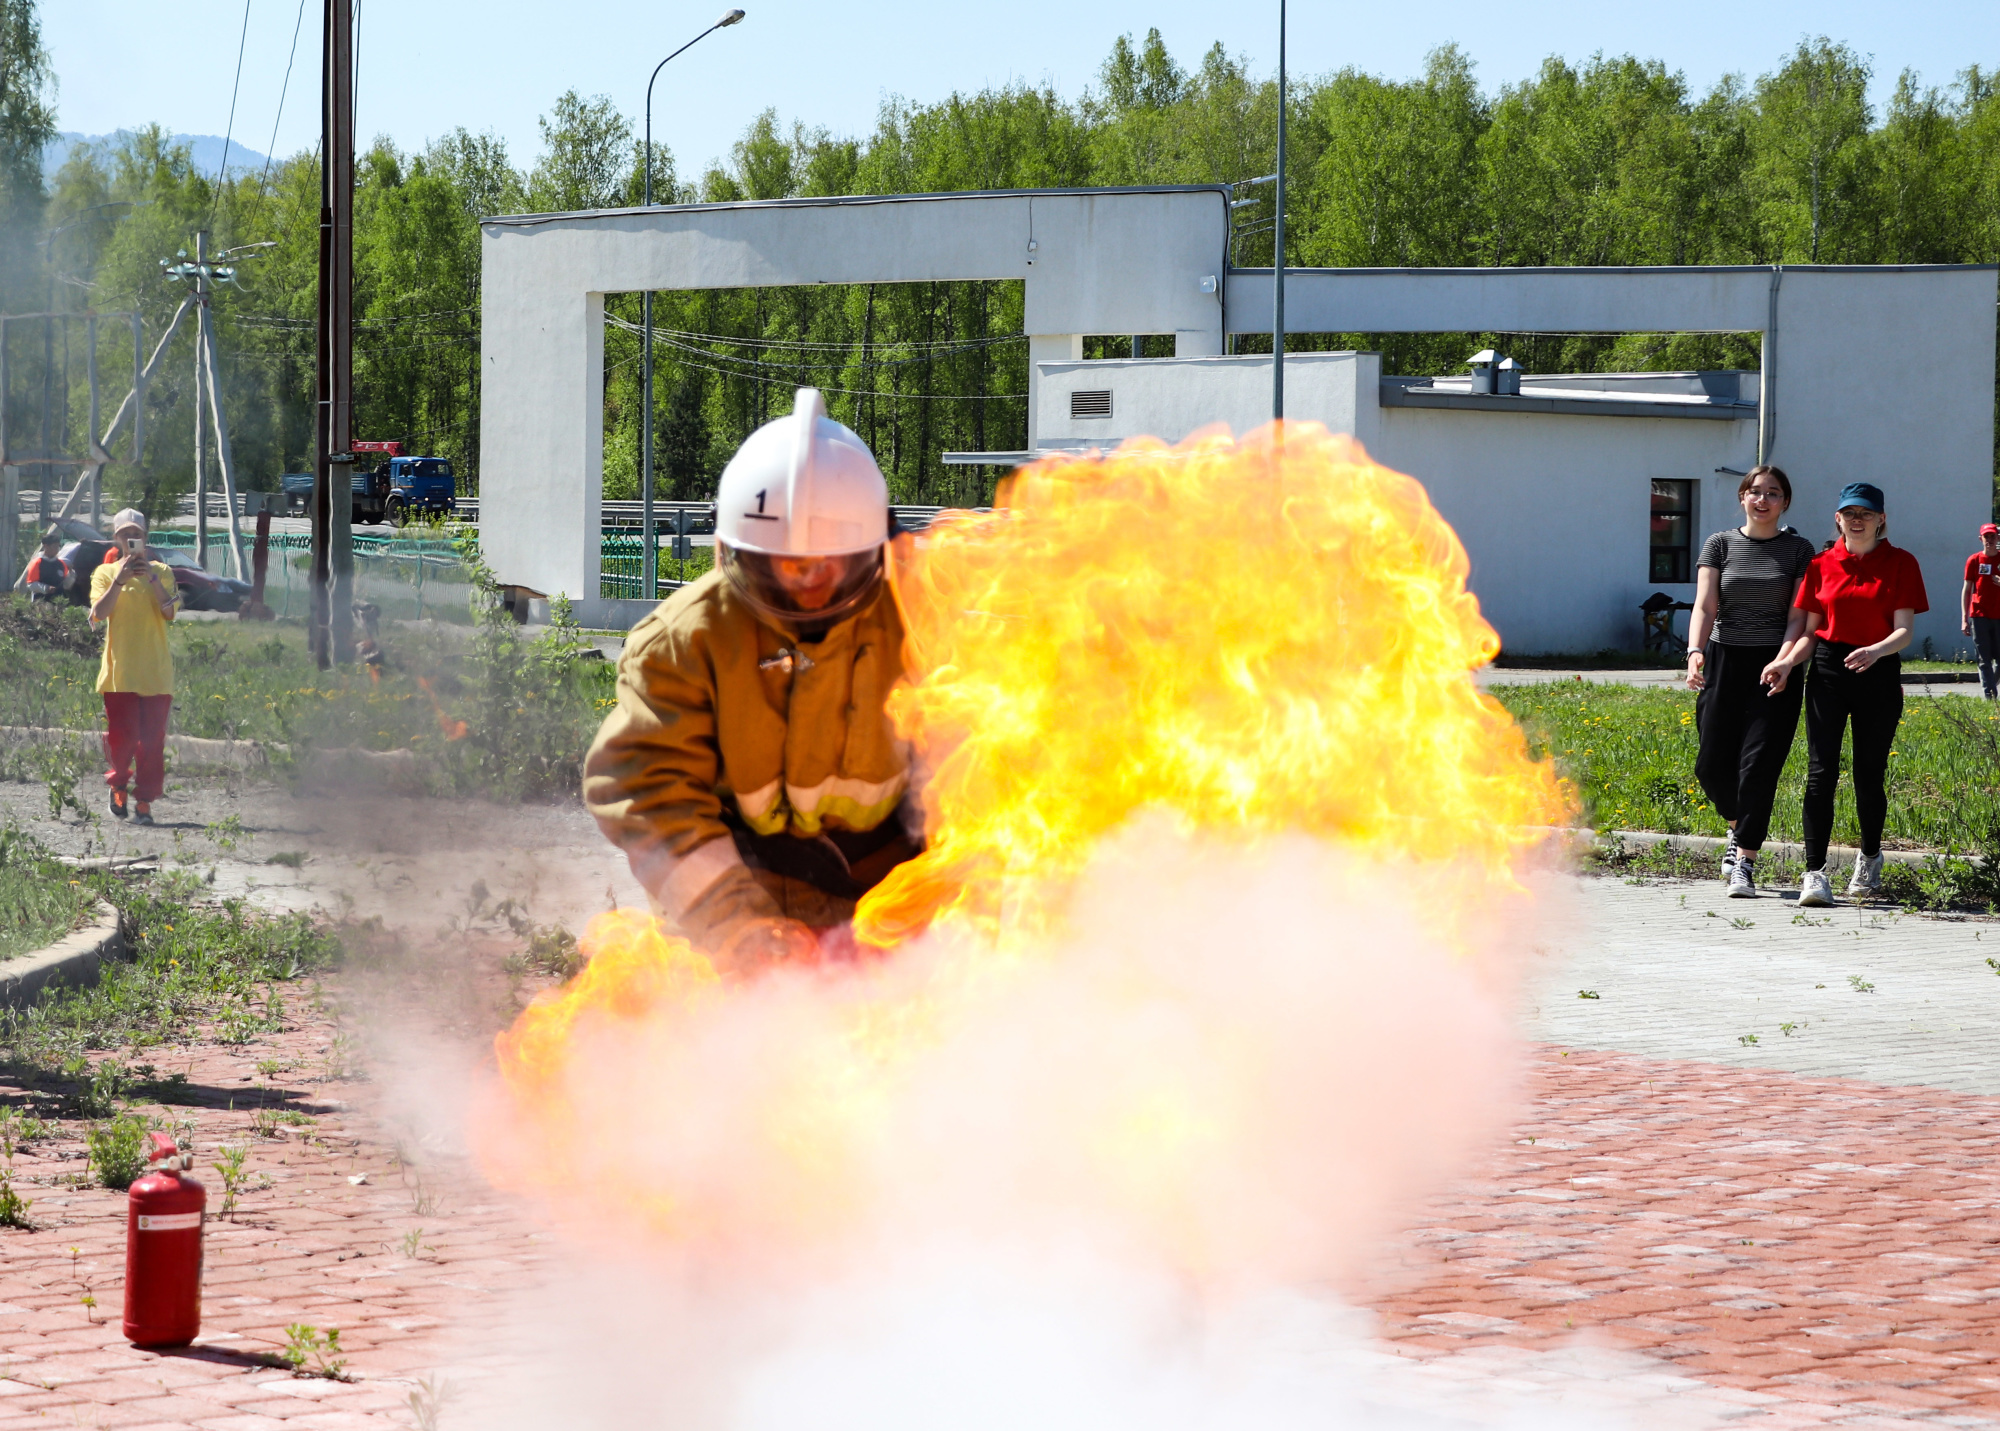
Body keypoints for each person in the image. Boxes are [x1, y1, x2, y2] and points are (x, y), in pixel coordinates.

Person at [584, 388, 918, 974]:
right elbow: (651, 793)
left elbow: (984, 781)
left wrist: (929, 919)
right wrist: (737, 928)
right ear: (732, 552)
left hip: (890, 904)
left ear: (878, 549)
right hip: (736, 896)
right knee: (731, 1055)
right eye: (783, 566)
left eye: (829, 565)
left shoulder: (926, 621)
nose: (808, 584)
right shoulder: (683, 642)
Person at [1760, 482, 1927, 907]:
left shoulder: (1901, 562)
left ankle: (1869, 857)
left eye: (1866, 513)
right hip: (1830, 672)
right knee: (1821, 773)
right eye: (1850, 512)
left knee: (1868, 774)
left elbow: (1904, 630)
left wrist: (1876, 650)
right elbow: (1811, 632)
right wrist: (1786, 662)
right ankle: (1814, 873)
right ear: (1838, 518)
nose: (1857, 519)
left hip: (1878, 668)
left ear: (1881, 519)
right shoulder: (1821, 564)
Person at [1685, 466, 1816, 897]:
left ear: (1785, 502)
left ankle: (1744, 861)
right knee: (1710, 764)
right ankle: (1736, 826)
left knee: (1758, 766)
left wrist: (1784, 661)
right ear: (1742, 497)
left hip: (1774, 664)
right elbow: (1705, 605)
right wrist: (1695, 651)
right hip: (1723, 659)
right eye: (1755, 492)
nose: (1763, 500)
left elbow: (1798, 616)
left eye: (1773, 493)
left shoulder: (1799, 550)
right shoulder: (1719, 544)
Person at [88, 509, 180, 826]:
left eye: (137, 534)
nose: (132, 539)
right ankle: (118, 787)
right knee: (121, 739)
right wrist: (120, 579)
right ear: (116, 539)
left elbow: (170, 612)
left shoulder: (163, 571)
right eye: (125, 534)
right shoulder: (104, 572)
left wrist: (151, 579)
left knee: (152, 742)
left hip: (155, 672)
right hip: (119, 672)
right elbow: (99, 612)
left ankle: (144, 801)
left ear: (145, 537)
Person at [1962, 521, 2000, 699]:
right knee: (1984, 658)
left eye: (1992, 536)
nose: (1989, 540)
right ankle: (1990, 696)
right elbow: (1967, 589)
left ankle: (1992, 681)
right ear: (1980, 539)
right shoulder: (1974, 560)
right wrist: (1964, 618)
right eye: (1986, 537)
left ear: (1997, 538)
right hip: (1979, 615)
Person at [23, 528, 72, 602]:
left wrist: (72, 573)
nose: (57, 549)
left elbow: (66, 585)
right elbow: (31, 584)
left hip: (59, 603)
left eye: (58, 546)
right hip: (41, 603)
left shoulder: (61, 564)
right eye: (54, 546)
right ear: (46, 546)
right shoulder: (37, 563)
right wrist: (46, 588)